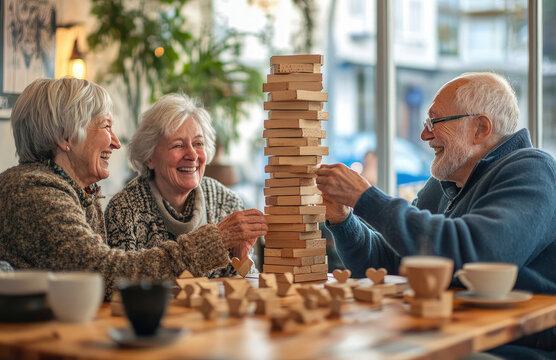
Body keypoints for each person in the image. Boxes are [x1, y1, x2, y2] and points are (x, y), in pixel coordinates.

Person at [316, 72, 555, 358]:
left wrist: (367, 198)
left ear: (480, 128)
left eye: (434, 122)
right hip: (448, 333)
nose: (424, 135)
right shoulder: (445, 182)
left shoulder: (532, 170)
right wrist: (343, 218)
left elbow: (479, 254)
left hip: (505, 346)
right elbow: (388, 264)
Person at [0, 78, 267, 299]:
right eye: (106, 126)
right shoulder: (35, 192)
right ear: (65, 137)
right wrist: (215, 240)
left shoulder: (79, 192)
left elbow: (246, 276)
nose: (116, 142)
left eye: (198, 144)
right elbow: (107, 277)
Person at [105, 93, 261, 277]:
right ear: (149, 157)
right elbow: (121, 283)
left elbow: (246, 286)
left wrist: (242, 260)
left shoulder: (226, 202)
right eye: (178, 145)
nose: (193, 155)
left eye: (198, 143)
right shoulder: (124, 210)